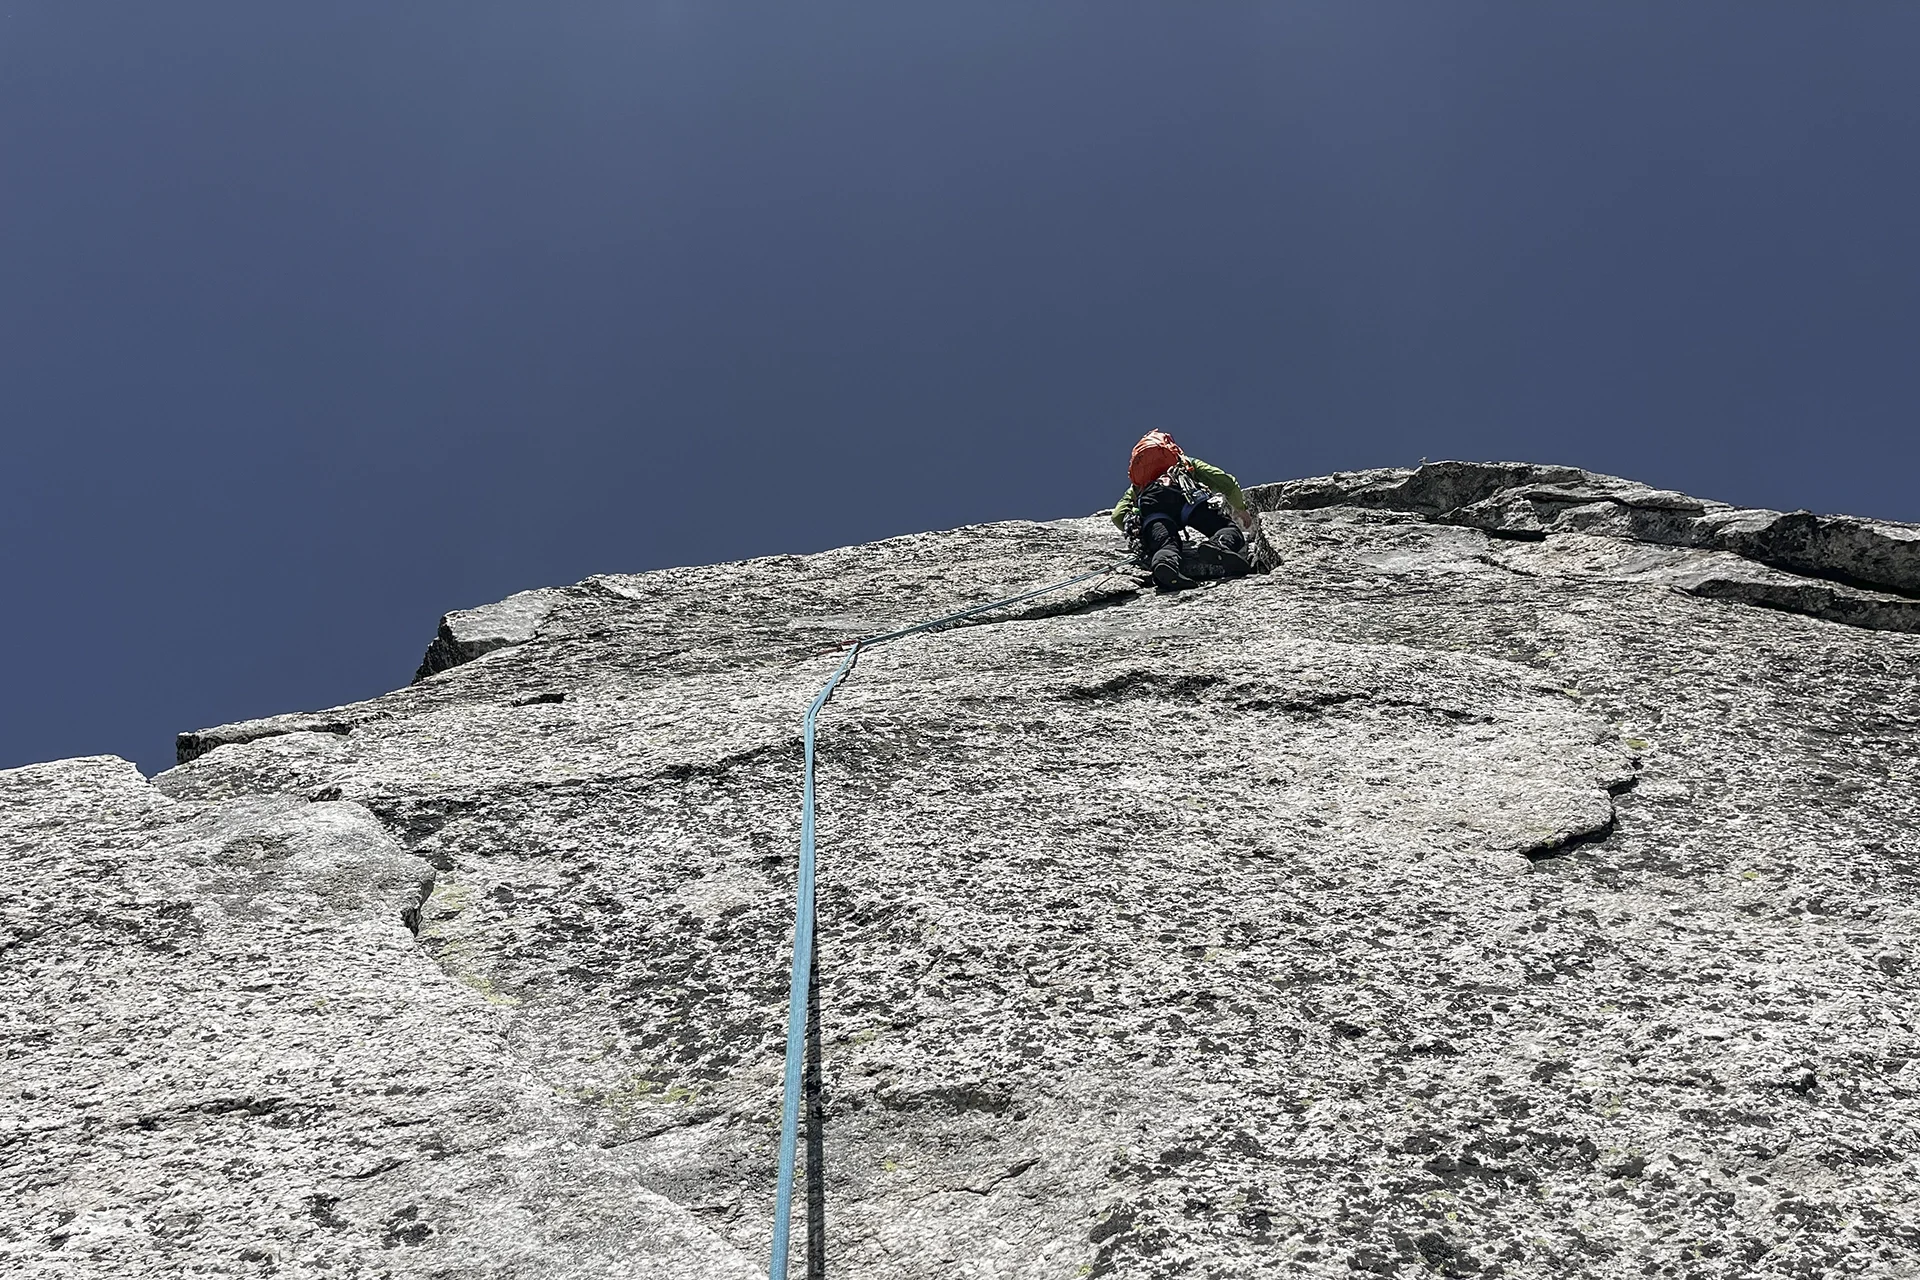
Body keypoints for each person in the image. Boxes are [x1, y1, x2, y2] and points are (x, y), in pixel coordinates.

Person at [1110, 431, 1257, 590]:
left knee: (1166, 543)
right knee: (1226, 528)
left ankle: (1165, 565)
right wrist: (1240, 509)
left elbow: (1118, 516)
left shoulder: (1139, 485)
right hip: (1187, 500)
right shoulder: (1184, 462)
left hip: (1154, 507)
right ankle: (1220, 544)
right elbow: (1225, 481)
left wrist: (1142, 532)